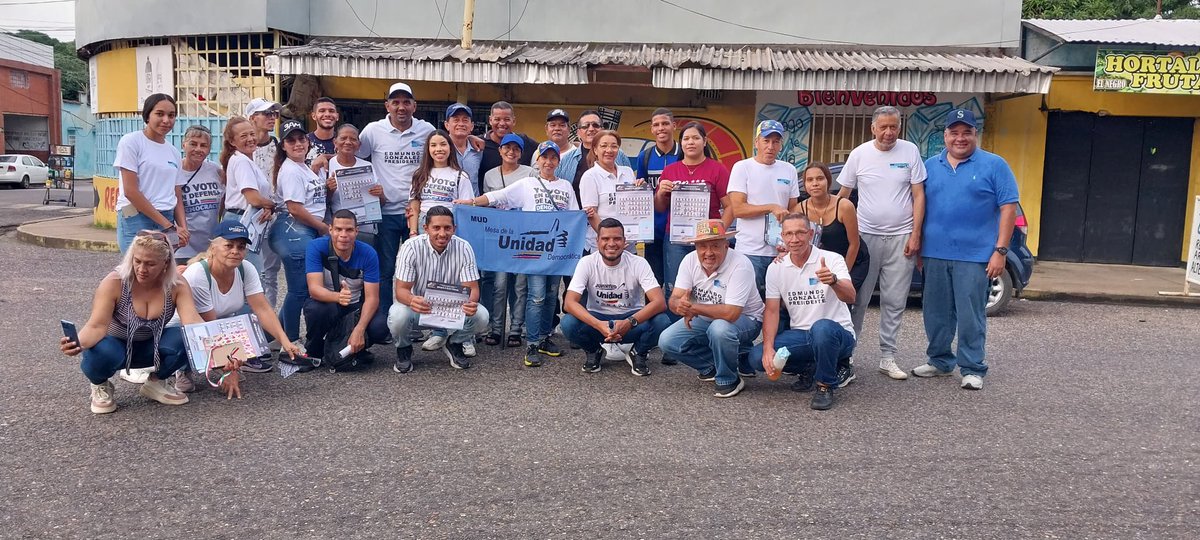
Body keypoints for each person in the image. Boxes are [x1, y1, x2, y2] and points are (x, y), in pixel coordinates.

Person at [910, 109, 1019, 391]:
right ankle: (940, 361)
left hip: (975, 255)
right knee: (935, 312)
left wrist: (1001, 251)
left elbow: (1008, 208)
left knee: (971, 314)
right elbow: (918, 205)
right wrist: (918, 244)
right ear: (944, 136)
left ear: (975, 135)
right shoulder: (929, 166)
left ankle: (972, 367)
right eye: (954, 133)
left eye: (966, 132)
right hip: (935, 253)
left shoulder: (995, 165)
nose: (960, 138)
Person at [456, 141, 580, 366]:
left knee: (552, 295)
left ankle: (544, 337)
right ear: (537, 161)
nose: (549, 162)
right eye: (545, 158)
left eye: (553, 158)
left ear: (558, 162)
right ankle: (531, 343)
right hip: (533, 250)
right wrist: (471, 202)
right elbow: (498, 197)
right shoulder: (528, 184)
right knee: (537, 295)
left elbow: (573, 217)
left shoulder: (566, 187)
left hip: (556, 251)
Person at [59, 231, 202, 414]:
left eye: (150, 264)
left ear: (165, 264)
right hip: (116, 346)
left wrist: (225, 352)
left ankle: (156, 382)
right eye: (137, 261)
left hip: (151, 347)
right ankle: (100, 384)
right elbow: (96, 326)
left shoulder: (177, 285)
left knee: (186, 339)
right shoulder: (115, 282)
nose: (142, 269)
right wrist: (76, 344)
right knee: (100, 350)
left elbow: (194, 324)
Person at [835, 105, 927, 381]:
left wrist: (916, 234)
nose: (889, 132)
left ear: (900, 128)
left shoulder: (910, 151)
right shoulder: (859, 154)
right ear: (872, 128)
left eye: (894, 127)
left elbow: (919, 195)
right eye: (883, 127)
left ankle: (887, 357)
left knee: (895, 301)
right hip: (865, 239)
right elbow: (843, 195)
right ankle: (847, 355)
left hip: (902, 239)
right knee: (858, 300)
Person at [172, 222, 303, 391]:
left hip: (218, 323)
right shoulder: (198, 274)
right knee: (189, 339)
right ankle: (182, 369)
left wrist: (286, 342)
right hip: (187, 327)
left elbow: (262, 309)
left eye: (241, 247)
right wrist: (228, 372)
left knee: (258, 329)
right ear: (213, 248)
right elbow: (208, 327)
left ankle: (227, 364)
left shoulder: (246, 269)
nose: (235, 251)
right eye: (228, 246)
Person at [747, 214, 857, 410]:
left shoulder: (831, 259)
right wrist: (767, 348)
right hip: (802, 335)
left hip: (836, 334)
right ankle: (813, 368)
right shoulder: (776, 268)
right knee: (756, 358)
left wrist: (833, 281)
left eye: (800, 233)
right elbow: (772, 311)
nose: (794, 239)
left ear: (811, 234)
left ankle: (825, 385)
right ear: (782, 236)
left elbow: (850, 296)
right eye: (789, 234)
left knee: (821, 328)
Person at [658, 220, 765, 398]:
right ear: (696, 248)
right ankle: (714, 365)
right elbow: (674, 299)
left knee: (720, 329)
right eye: (702, 247)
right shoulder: (689, 260)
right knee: (667, 340)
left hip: (747, 320)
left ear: (726, 245)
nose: (708, 253)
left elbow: (731, 313)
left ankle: (729, 379)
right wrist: (681, 306)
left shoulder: (741, 264)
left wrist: (693, 308)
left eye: (715, 246)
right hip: (708, 316)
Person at [356, 82, 436, 315]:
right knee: (385, 270)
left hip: (418, 213)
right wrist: (326, 158)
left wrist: (472, 139)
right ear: (387, 105)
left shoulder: (426, 129)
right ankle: (383, 319)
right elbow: (355, 158)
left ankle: (418, 320)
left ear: (414, 105)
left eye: (406, 102)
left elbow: (442, 148)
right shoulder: (372, 130)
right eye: (396, 102)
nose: (401, 107)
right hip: (385, 212)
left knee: (420, 269)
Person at [561, 218, 671, 376]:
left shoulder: (638, 263)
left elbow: (659, 302)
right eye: (605, 239)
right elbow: (569, 303)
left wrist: (629, 322)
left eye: (617, 238)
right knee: (568, 323)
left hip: (630, 320)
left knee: (662, 321)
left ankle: (638, 353)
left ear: (625, 241)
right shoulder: (586, 262)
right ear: (597, 241)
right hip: (598, 320)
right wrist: (599, 325)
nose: (611, 244)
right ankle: (594, 351)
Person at [387, 206, 489, 373]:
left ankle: (454, 343)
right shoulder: (410, 247)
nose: (442, 234)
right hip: (420, 307)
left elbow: (472, 289)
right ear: (425, 228)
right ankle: (404, 349)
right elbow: (401, 291)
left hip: (451, 308)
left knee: (481, 316)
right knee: (398, 315)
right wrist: (413, 300)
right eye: (436, 228)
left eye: (447, 228)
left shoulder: (464, 247)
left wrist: (471, 303)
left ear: (454, 229)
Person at [303, 209, 390, 366]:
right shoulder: (316, 247)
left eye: (349, 229)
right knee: (316, 309)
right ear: (330, 230)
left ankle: (356, 347)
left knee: (381, 327)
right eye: (338, 229)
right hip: (327, 303)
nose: (343, 235)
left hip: (354, 306)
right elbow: (314, 289)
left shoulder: (368, 253)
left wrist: (359, 329)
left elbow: (372, 298)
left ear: (356, 231)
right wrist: (338, 297)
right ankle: (314, 350)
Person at [655, 121, 732, 297]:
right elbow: (660, 207)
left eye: (696, 138)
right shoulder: (670, 170)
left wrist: (719, 232)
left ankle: (703, 321)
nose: (690, 142)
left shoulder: (718, 169)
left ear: (704, 142)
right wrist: (660, 193)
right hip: (676, 239)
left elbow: (729, 207)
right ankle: (676, 323)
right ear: (680, 143)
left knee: (708, 286)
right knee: (675, 288)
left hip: (707, 237)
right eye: (686, 138)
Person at [270, 120, 329, 345]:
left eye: (301, 139)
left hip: (306, 228)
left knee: (300, 288)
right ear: (283, 146)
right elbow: (294, 208)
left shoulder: (304, 166)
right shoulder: (291, 170)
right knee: (300, 289)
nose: (297, 144)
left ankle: (277, 335)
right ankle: (292, 341)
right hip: (293, 228)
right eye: (291, 140)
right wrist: (322, 227)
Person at [728, 119, 800, 295]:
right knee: (749, 304)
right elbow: (738, 209)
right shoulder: (742, 167)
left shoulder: (789, 170)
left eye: (776, 141)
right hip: (749, 251)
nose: (770, 146)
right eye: (766, 141)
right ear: (756, 142)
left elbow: (793, 211)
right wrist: (771, 207)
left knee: (782, 305)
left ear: (781, 145)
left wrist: (789, 245)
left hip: (781, 251)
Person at [479, 133, 534, 347]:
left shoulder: (530, 173)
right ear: (500, 150)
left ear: (521, 153)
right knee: (499, 285)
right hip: (499, 236)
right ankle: (495, 328)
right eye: (507, 148)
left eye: (516, 149)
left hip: (522, 237)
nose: (511, 152)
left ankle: (516, 330)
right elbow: (487, 203)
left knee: (520, 285)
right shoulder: (490, 175)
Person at [113, 93, 186, 253]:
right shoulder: (132, 142)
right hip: (136, 217)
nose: (166, 120)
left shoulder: (173, 152)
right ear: (147, 115)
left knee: (163, 272)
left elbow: (177, 193)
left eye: (171, 115)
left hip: (167, 218)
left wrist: (182, 227)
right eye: (159, 114)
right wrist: (169, 227)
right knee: (138, 271)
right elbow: (131, 191)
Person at [220, 117, 276, 287]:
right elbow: (252, 198)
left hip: (247, 218)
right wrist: (273, 205)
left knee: (244, 276)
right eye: (243, 136)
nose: (250, 139)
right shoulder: (242, 161)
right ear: (232, 141)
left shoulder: (244, 160)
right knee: (251, 278)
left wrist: (266, 207)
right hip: (241, 221)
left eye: (252, 134)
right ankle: (250, 313)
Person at [799, 161, 868, 291]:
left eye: (820, 178)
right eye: (810, 180)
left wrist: (843, 275)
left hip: (851, 261)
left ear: (828, 181)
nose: (815, 183)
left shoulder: (844, 206)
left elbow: (854, 244)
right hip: (822, 264)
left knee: (844, 300)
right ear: (805, 184)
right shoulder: (800, 209)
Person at [635, 107, 683, 285]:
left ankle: (676, 314)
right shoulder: (644, 157)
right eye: (656, 125)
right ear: (652, 129)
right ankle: (653, 313)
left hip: (680, 227)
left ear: (674, 126)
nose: (661, 128)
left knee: (678, 281)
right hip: (653, 228)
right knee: (653, 281)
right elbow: (642, 190)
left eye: (665, 123)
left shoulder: (684, 153)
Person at [245, 98, 284, 308]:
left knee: (270, 273)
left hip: (273, 216)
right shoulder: (242, 149)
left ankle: (267, 326)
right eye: (266, 113)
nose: (271, 117)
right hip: (247, 216)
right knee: (248, 271)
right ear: (252, 118)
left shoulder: (279, 145)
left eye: (273, 114)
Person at [579, 130, 638, 253]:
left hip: (629, 245)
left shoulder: (627, 172)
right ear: (595, 150)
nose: (609, 150)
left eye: (614, 146)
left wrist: (641, 189)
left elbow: (635, 206)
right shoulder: (590, 176)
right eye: (604, 146)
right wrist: (612, 239)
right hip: (604, 247)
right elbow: (591, 214)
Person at [407, 129, 473, 239]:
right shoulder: (419, 175)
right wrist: (413, 232)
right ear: (428, 149)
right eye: (433, 145)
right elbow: (414, 206)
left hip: (449, 226)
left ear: (450, 147)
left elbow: (466, 210)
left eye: (443, 144)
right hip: (424, 224)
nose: (438, 149)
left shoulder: (461, 176)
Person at [326, 124, 384, 246]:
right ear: (335, 142)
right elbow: (321, 203)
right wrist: (329, 190)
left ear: (359, 145)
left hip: (366, 230)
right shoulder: (327, 166)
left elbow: (381, 202)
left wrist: (380, 194)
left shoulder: (367, 167)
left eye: (353, 139)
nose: (348, 142)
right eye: (343, 138)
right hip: (341, 232)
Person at [173, 125, 223, 265]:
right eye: (193, 144)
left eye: (204, 145)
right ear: (184, 145)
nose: (198, 149)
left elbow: (225, 199)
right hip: (182, 247)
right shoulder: (174, 171)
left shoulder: (214, 170)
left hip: (210, 246)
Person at [556, 110, 632, 201]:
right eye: (585, 126)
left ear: (602, 129)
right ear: (578, 132)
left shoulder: (619, 155)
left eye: (595, 125)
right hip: (577, 213)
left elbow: (630, 187)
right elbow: (558, 190)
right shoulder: (566, 160)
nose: (591, 129)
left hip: (614, 213)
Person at [479, 101, 537, 182]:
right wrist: (469, 137)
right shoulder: (479, 143)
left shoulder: (524, 141)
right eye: (497, 119)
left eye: (507, 119)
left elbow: (545, 150)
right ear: (490, 120)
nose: (502, 123)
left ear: (513, 121)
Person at [306, 97, 339, 162]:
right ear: (314, 116)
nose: (327, 114)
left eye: (331, 111)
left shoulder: (344, 143)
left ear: (337, 116)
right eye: (322, 111)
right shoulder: (304, 142)